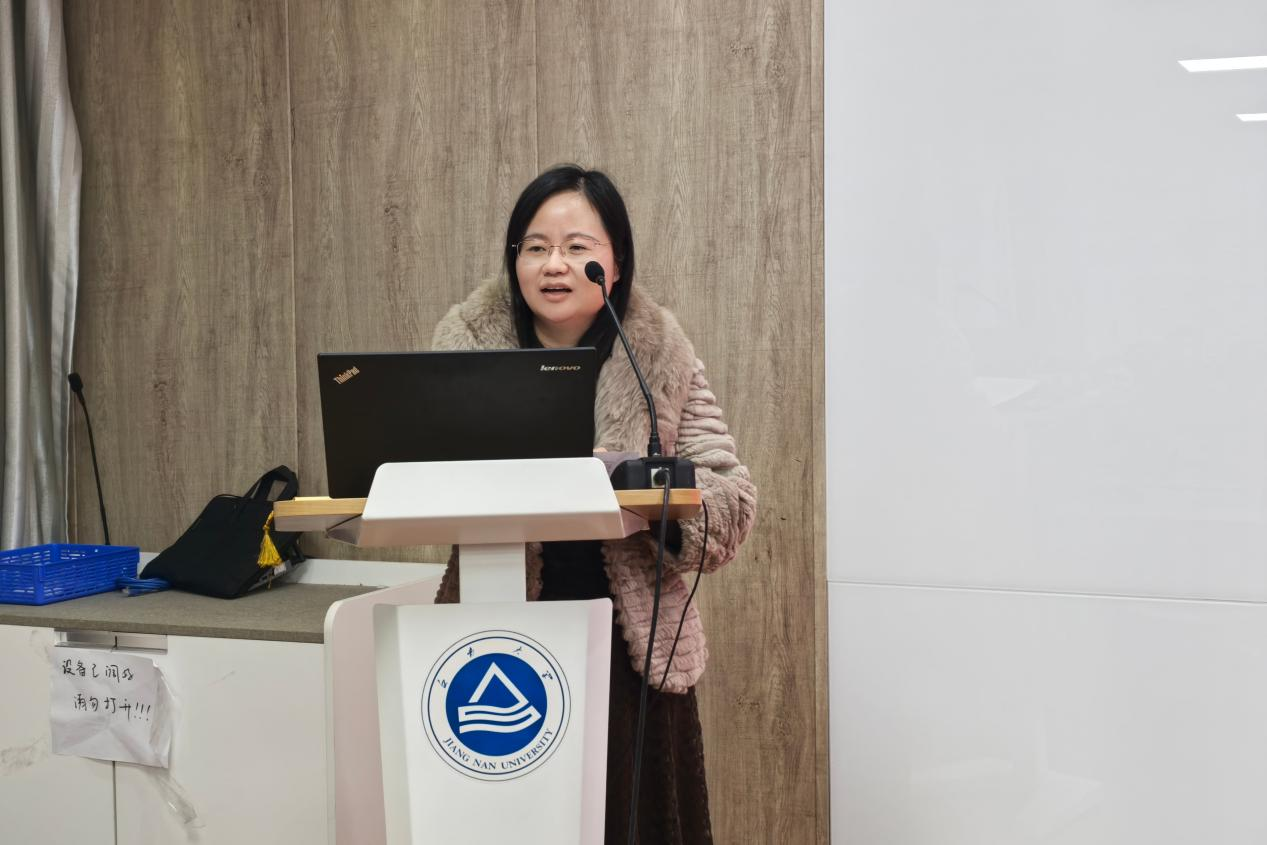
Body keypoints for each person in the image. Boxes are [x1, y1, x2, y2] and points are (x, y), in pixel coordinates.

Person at [431, 164, 757, 844]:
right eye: (535, 247)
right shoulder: (462, 351)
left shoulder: (659, 354)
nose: (554, 265)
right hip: (497, 642)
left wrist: (646, 482)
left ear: (615, 263)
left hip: (626, 644)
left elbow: (730, 499)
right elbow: (419, 473)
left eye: (577, 247)